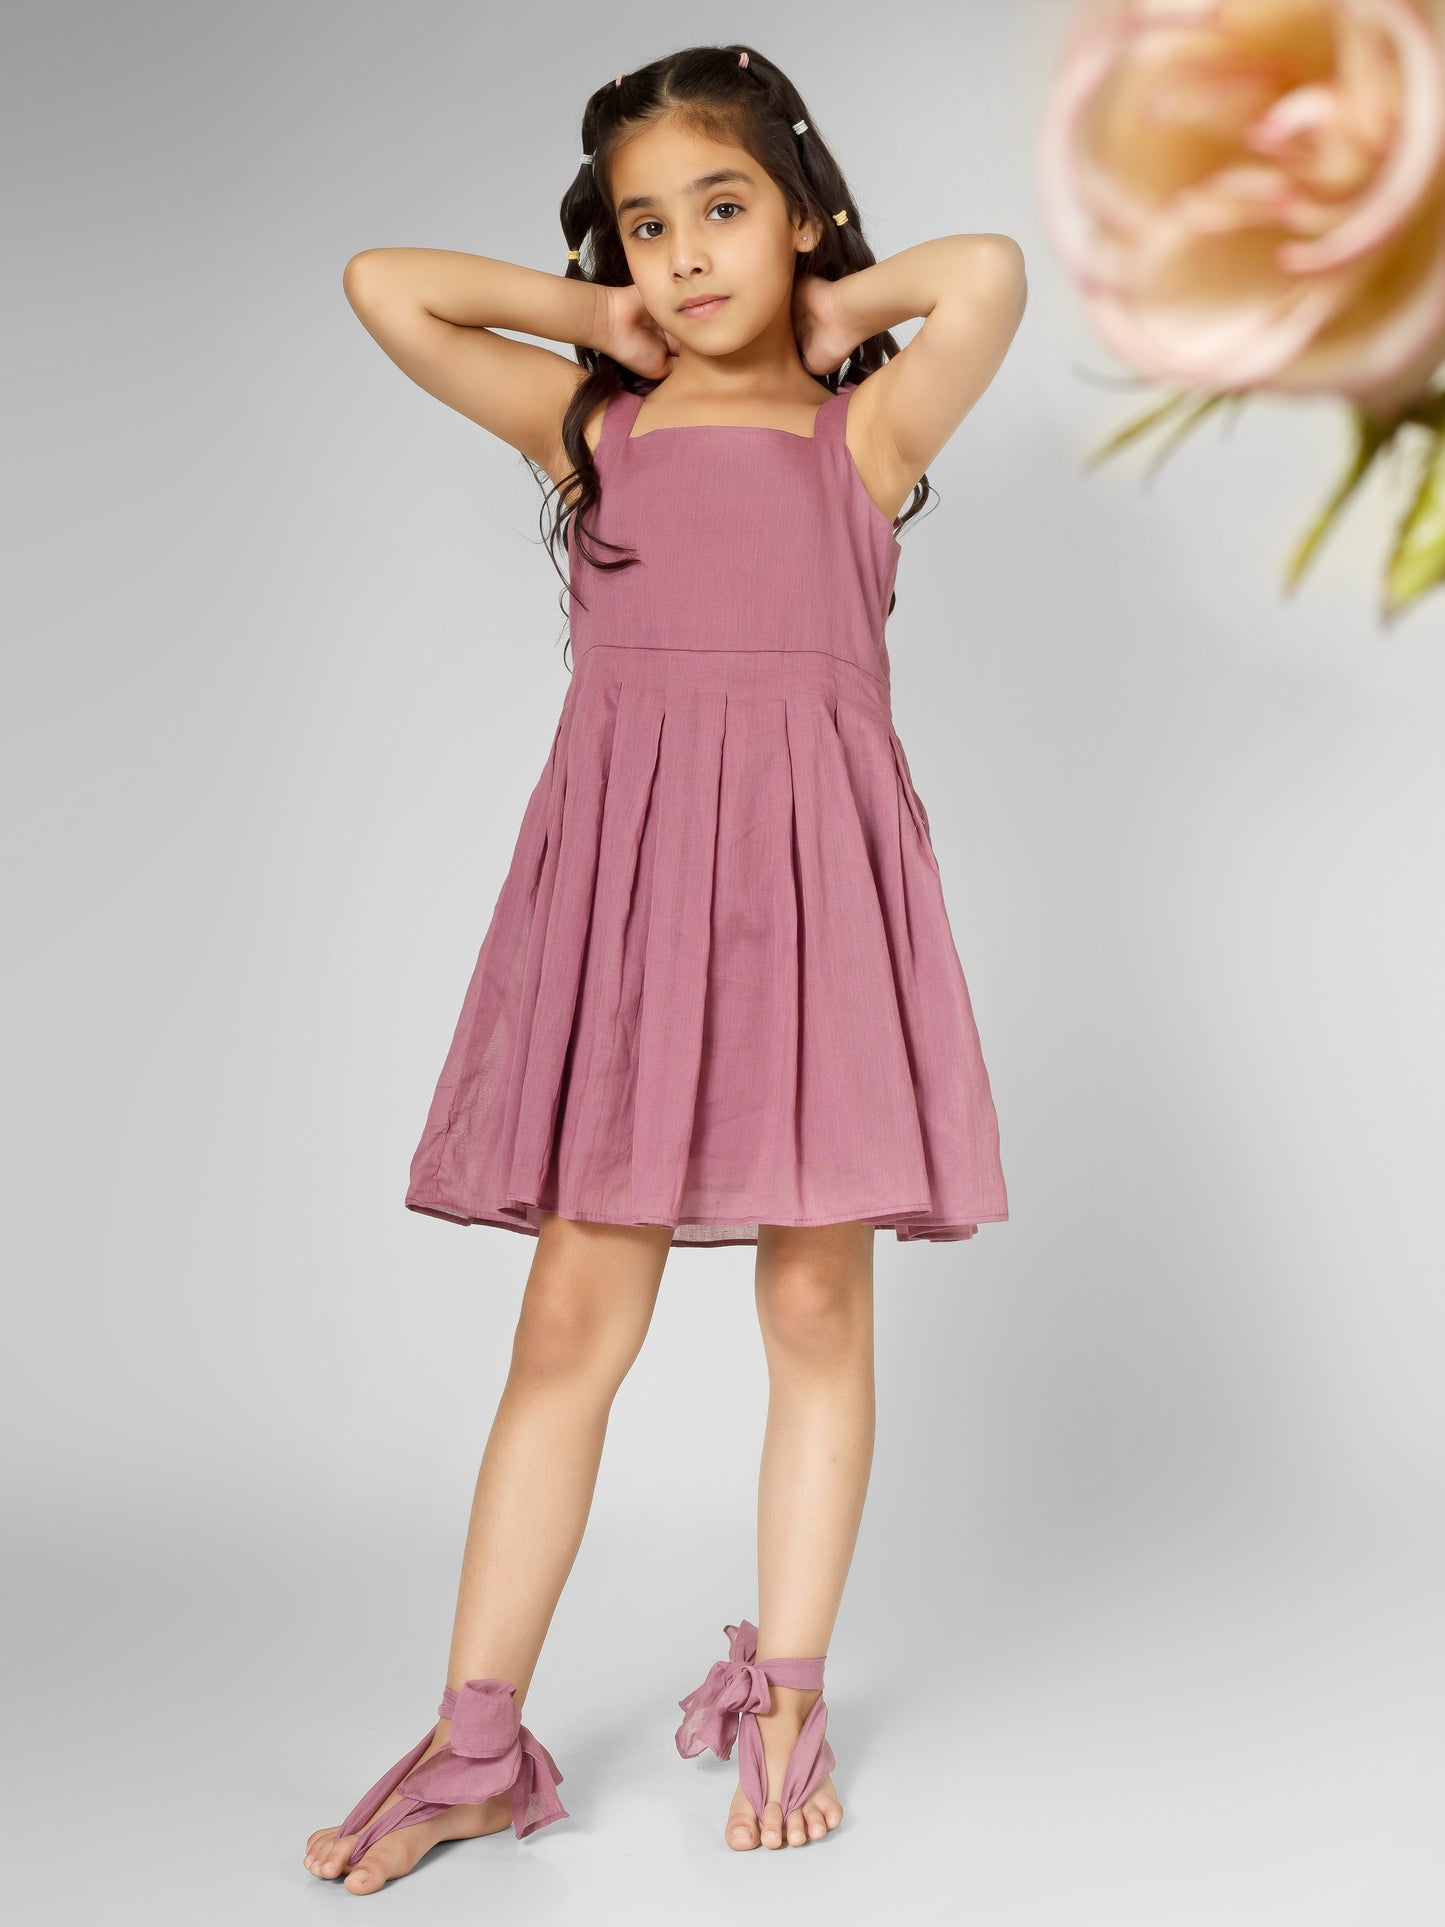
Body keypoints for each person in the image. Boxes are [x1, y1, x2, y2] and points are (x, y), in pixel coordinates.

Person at [306, 41, 1025, 1894]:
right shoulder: (595, 429)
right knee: (567, 1324)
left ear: (796, 214)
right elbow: (385, 286)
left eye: (723, 209)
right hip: (630, 923)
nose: (688, 254)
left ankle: (786, 1698)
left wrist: (832, 305)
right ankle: (478, 1744)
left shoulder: (861, 437)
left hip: (814, 918)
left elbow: (986, 273)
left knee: (816, 1312)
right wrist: (595, 322)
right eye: (646, 226)